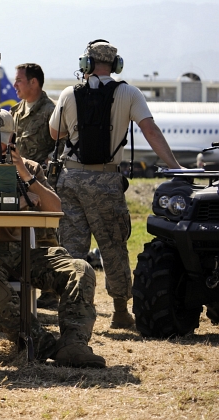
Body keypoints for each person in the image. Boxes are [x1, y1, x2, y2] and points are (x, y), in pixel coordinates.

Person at [0, 108, 105, 368]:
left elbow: (54, 208)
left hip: (23, 251)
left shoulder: (29, 168)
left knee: (80, 270)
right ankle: (37, 340)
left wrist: (24, 174)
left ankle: (74, 345)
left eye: (4, 139)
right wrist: (11, 203)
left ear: (14, 138)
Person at [50, 40, 182, 330]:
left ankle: (73, 313)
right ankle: (120, 312)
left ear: (86, 63)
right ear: (116, 64)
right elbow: (150, 130)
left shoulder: (69, 93)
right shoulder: (130, 93)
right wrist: (176, 167)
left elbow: (54, 131)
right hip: (107, 180)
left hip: (71, 180)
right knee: (113, 246)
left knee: (72, 248)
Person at [10, 62, 62, 309]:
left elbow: (60, 148)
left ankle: (51, 290)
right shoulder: (16, 112)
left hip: (39, 180)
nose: (15, 85)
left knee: (46, 235)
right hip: (17, 180)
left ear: (34, 82)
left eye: (19, 80)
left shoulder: (52, 111)